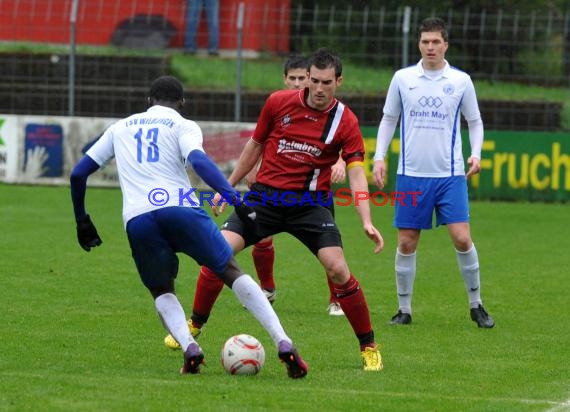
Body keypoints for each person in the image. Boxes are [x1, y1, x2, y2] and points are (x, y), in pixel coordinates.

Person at [69, 75, 308, 378]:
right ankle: (284, 342)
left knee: (161, 289)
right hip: (182, 208)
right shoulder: (183, 125)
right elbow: (199, 161)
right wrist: (235, 199)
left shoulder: (120, 128)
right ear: (181, 103)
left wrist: (82, 219)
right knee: (230, 270)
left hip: (139, 218)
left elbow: (78, 173)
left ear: (148, 101)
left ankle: (189, 347)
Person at [185, 48, 385, 371]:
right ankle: (194, 325)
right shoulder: (279, 103)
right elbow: (255, 146)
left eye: (327, 83)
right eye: (314, 81)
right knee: (217, 253)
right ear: (306, 78)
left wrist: (367, 220)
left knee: (337, 268)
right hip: (264, 199)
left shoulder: (345, 120)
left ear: (339, 81)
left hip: (309, 205)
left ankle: (369, 346)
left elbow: (357, 171)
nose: (319, 89)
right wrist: (228, 186)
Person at [372, 17, 495, 328]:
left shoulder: (461, 81)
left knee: (462, 238)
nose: (430, 47)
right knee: (406, 243)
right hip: (411, 174)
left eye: (435, 42)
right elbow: (389, 119)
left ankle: (476, 304)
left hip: (450, 175)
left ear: (445, 45)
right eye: (425, 41)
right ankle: (404, 310)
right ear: (418, 44)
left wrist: (476, 154)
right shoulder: (402, 79)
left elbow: (475, 121)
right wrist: (379, 157)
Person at [244, 54, 347, 316]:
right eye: (294, 78)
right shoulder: (279, 104)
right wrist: (255, 169)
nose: (299, 83)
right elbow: (262, 141)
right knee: (260, 236)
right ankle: (267, 288)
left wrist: (340, 163)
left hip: (313, 193)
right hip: (272, 186)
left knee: (327, 246)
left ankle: (337, 298)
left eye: (303, 78)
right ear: (285, 80)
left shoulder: (330, 109)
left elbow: (338, 143)